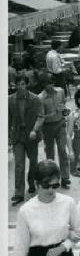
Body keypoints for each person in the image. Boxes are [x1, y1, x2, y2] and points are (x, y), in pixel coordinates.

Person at [8, 160, 78, 256]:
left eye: (55, 185)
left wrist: (63, 247)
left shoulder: (69, 203)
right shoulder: (26, 211)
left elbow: (77, 232)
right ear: (36, 183)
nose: (51, 190)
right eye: (46, 185)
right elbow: (21, 245)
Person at [8, 74, 44, 205]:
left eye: (22, 84)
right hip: (18, 135)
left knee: (33, 162)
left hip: (31, 135)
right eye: (18, 84)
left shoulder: (35, 99)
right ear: (15, 85)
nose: (20, 86)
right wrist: (7, 138)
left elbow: (41, 116)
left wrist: (35, 130)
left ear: (26, 84)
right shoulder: (10, 100)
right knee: (19, 164)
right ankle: (18, 193)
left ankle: (32, 182)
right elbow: (7, 120)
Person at [38, 72, 71, 189]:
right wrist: (54, 112)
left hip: (60, 124)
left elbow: (64, 108)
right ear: (43, 85)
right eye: (47, 84)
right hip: (47, 127)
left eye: (51, 83)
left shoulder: (60, 91)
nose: (50, 86)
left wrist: (65, 111)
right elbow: (42, 116)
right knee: (50, 153)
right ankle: (52, 178)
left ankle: (65, 177)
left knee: (62, 150)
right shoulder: (40, 98)